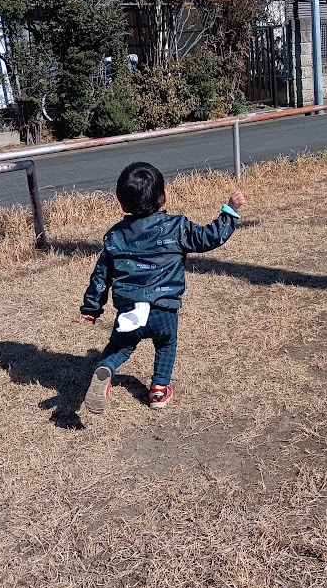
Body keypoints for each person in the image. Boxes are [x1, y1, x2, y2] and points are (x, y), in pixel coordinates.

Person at [81, 161, 246, 413]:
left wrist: (92, 306)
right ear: (164, 196)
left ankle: (106, 368)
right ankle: (159, 390)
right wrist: (230, 211)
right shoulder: (176, 228)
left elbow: (101, 274)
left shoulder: (115, 235)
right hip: (163, 308)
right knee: (166, 344)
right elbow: (209, 237)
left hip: (129, 310)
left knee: (120, 347)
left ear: (122, 205)